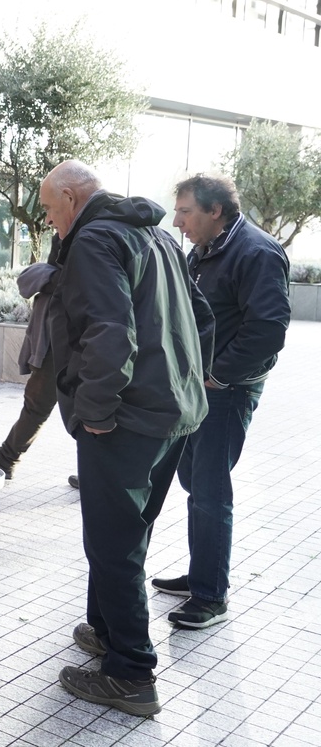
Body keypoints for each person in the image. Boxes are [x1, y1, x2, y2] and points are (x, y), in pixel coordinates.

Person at [41, 160, 213, 717]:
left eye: (48, 208)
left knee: (114, 545)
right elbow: (202, 317)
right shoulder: (156, 234)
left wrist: (95, 412)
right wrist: (183, 381)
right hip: (173, 412)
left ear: (71, 197)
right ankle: (109, 631)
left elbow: (110, 333)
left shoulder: (94, 240)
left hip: (127, 419)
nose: (49, 220)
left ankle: (132, 673)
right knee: (127, 536)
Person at [150, 175, 290, 629]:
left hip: (225, 392)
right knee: (195, 481)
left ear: (215, 211)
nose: (177, 221)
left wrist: (217, 374)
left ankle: (211, 596)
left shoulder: (257, 251)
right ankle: (200, 573)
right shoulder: (206, 249)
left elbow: (268, 330)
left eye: (185, 211)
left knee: (209, 491)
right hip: (198, 390)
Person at [0, 237, 60, 480]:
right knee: (68, 408)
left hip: (68, 342)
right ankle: (95, 471)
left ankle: (6, 458)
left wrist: (51, 277)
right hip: (70, 340)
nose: (49, 219)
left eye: (51, 210)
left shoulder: (85, 235)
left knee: (39, 404)